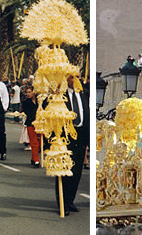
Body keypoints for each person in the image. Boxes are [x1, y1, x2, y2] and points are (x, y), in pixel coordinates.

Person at [57, 75, 89, 215]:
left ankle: (70, 200)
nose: (75, 79)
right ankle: (62, 202)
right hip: (66, 136)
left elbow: (86, 115)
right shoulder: (61, 96)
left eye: (77, 76)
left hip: (81, 136)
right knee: (64, 170)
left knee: (77, 171)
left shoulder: (83, 94)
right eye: (72, 77)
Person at [21, 85, 40, 167]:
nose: (28, 94)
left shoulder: (40, 101)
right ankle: (36, 160)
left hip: (40, 123)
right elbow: (28, 113)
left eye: (30, 92)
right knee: (34, 142)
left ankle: (34, 158)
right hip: (31, 123)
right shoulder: (26, 102)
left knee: (40, 142)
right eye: (27, 92)